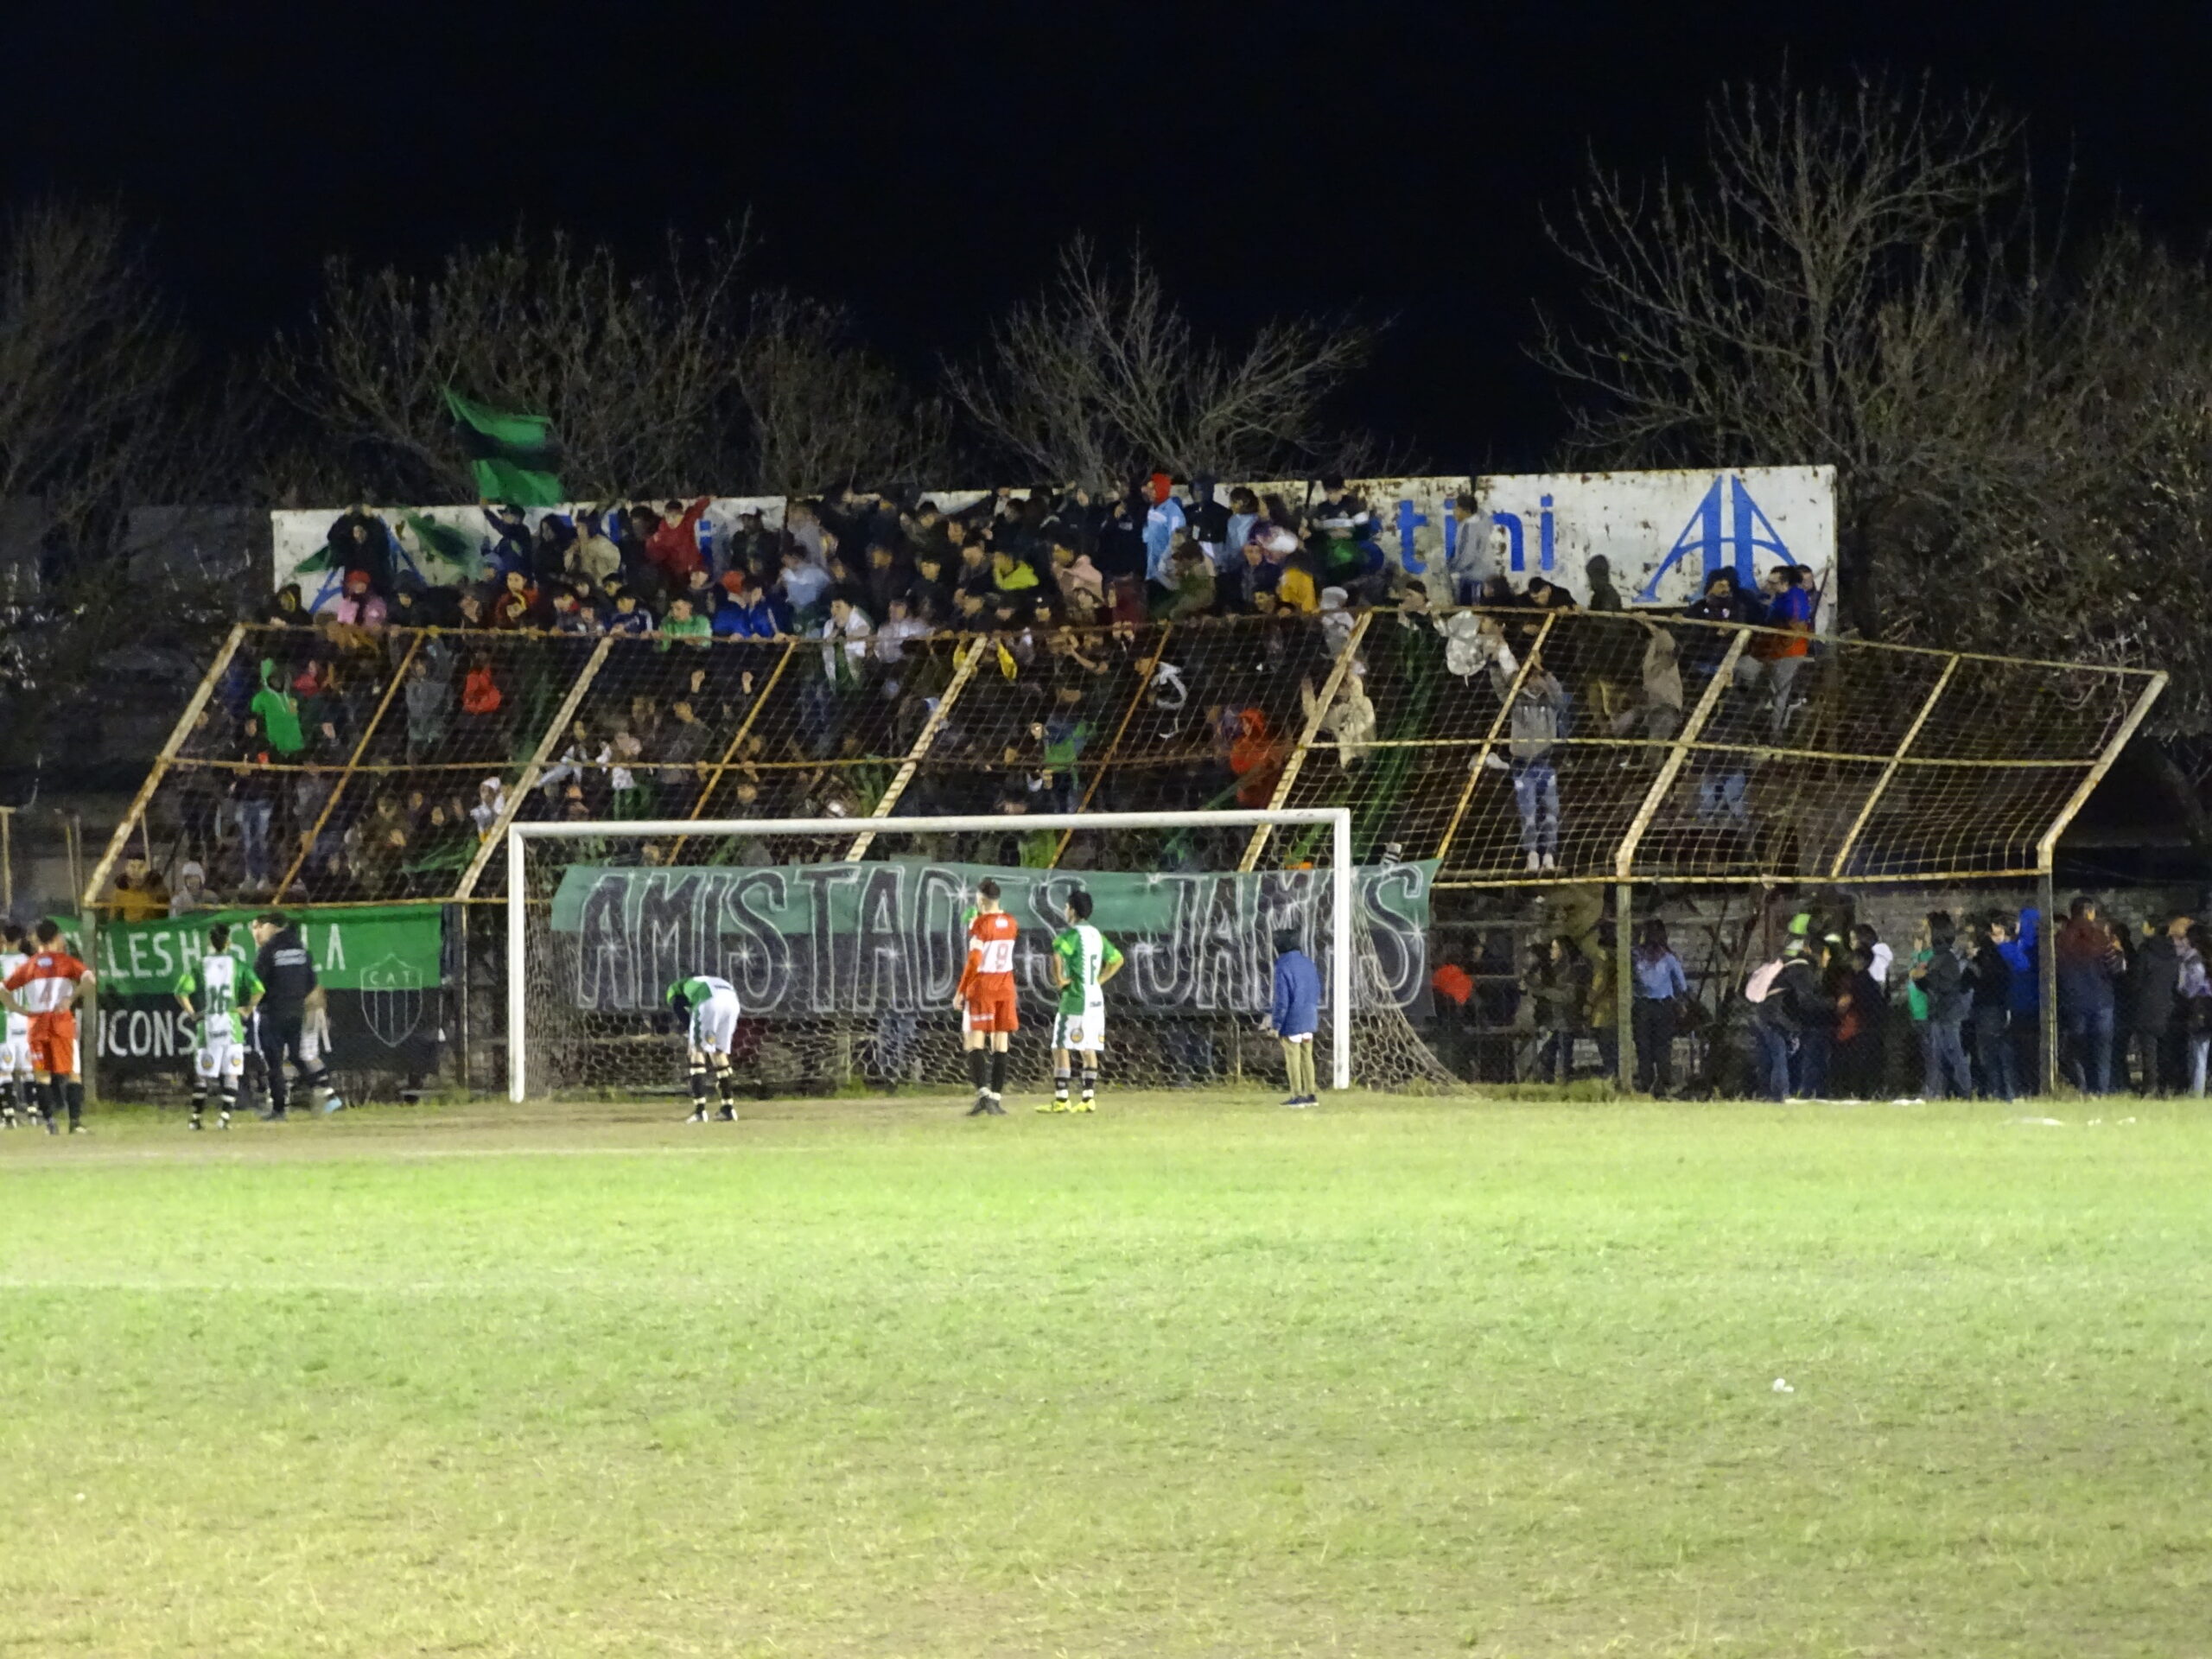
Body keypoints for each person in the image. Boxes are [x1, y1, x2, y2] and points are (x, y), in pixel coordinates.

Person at [2, 920, 97, 1134]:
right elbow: (90, 980)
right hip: (61, 1023)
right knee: (73, 1073)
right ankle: (75, 1123)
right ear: (56, 938)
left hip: (37, 1025)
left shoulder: (30, 965)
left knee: (42, 1075)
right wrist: (71, 999)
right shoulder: (66, 962)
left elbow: (2, 989)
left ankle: (50, 1124)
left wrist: (18, 1009)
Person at [250, 910, 342, 1119]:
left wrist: (252, 1005)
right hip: (295, 1011)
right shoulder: (301, 950)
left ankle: (279, 1109)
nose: (258, 933)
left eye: (259, 927)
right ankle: (327, 1095)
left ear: (271, 927)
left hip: (272, 1012)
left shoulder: (269, 950)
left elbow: (257, 983)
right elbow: (311, 982)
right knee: (296, 1056)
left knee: (274, 1062)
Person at [175, 922, 262, 1131]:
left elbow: (180, 991)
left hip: (209, 1025)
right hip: (231, 1025)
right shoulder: (238, 965)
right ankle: (224, 1118)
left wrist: (193, 1014)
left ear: (210, 942)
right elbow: (258, 988)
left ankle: (195, 1118)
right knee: (231, 1073)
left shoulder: (200, 965)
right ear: (228, 942)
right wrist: (248, 1009)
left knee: (203, 1075)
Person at [1045, 889, 1124, 1113]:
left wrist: (1059, 979)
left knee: (1061, 1045)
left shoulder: (1070, 936)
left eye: (1066, 907)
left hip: (1076, 998)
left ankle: (1062, 1099)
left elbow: (1057, 953)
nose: (1064, 910)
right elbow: (1117, 959)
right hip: (1095, 1000)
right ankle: (1088, 1098)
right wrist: (1100, 980)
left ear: (1072, 910)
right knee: (1088, 1047)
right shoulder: (1097, 935)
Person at [957, 879, 1020, 1116]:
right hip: (1005, 986)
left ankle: (984, 1094)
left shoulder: (981, 925)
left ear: (982, 899)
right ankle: (996, 1097)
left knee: (974, 1040)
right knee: (1001, 1042)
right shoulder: (1012, 923)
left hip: (984, 985)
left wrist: (961, 991)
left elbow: (974, 960)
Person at [2055, 896, 2121, 1093]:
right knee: (2102, 1049)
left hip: (2073, 1001)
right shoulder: (2102, 937)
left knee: (2079, 1049)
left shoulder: (2061, 939)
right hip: (2102, 1001)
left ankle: (2083, 1087)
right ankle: (2100, 1090)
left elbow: (2055, 971)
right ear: (2090, 912)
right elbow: (2116, 968)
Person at [1911, 913, 1972, 1100]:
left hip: (1949, 1015)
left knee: (1954, 1055)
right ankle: (1948, 1094)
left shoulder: (1947, 959)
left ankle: (1965, 1093)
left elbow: (1946, 986)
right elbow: (1928, 986)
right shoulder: (1936, 958)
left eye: (1929, 931)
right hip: (1937, 1014)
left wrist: (1925, 977)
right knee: (1939, 1057)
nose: (1926, 936)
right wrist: (1919, 979)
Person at [666, 975, 743, 1122]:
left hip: (709, 1003)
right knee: (719, 1054)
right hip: (732, 1004)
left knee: (697, 1052)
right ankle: (728, 1108)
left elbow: (677, 1005)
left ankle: (700, 1111)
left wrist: (691, 1031)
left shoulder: (678, 986)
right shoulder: (713, 980)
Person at [1264, 927, 1323, 1108]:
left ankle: (1297, 1095)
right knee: (1308, 1056)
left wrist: (1276, 1024)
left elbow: (1283, 999)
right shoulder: (1308, 963)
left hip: (1292, 1019)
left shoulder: (1283, 966)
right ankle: (1311, 1094)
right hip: (1310, 1016)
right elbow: (1317, 988)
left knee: (1293, 1057)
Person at [1630, 920, 1688, 1095]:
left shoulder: (1634, 955)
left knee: (1643, 1047)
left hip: (1642, 1006)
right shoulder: (1669, 958)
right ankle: (1664, 1084)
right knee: (1663, 1046)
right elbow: (1682, 985)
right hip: (1663, 1007)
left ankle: (1647, 1084)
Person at [1967, 914, 2017, 1102]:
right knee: (2000, 1052)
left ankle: (1995, 1091)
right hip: (1998, 1007)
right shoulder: (1999, 956)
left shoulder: (1983, 958)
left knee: (1988, 1054)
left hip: (1986, 1008)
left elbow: (1970, 981)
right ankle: (2006, 1092)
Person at [0, 921, 31, 1128]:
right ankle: (33, 1111)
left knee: (4, 1070)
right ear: (20, 940)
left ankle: (8, 1114)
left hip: (5, 1020)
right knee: (28, 1069)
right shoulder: (29, 962)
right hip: (26, 1019)